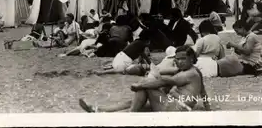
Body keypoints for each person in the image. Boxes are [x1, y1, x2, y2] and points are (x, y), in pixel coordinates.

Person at [79, 45, 211, 112]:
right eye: (177, 59)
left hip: (178, 109)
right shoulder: (192, 71)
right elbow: (203, 92)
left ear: (192, 59)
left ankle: (132, 115)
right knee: (133, 102)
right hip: (175, 105)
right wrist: (208, 109)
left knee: (145, 87)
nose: (180, 62)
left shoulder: (189, 74)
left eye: (183, 59)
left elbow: (167, 81)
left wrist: (141, 85)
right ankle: (99, 110)